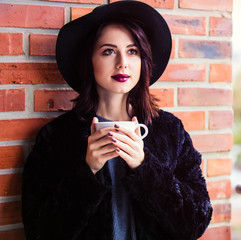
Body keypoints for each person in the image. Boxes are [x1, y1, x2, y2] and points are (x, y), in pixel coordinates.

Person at [21, 1, 213, 240]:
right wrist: (87, 170)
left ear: (143, 61)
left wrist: (145, 167)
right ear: (89, 61)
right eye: (108, 51)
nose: (122, 62)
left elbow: (195, 222)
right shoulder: (57, 137)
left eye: (132, 51)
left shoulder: (170, 131)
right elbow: (39, 233)